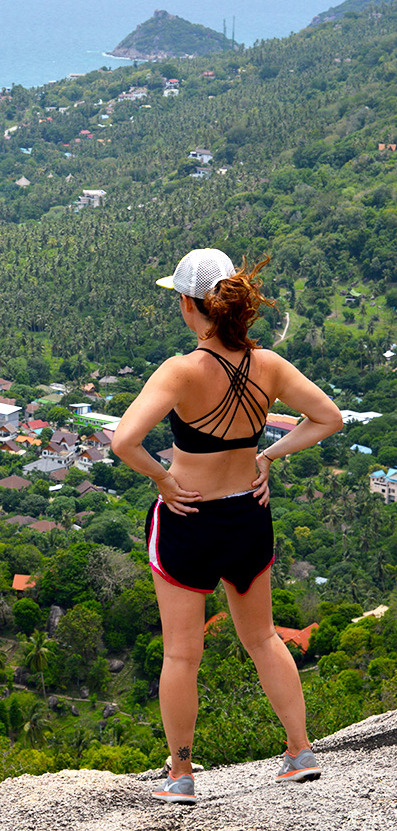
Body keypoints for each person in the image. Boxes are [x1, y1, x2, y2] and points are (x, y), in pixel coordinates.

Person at [110, 248, 343, 805]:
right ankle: (300, 752)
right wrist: (269, 456)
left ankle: (181, 775)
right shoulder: (269, 365)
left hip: (188, 518)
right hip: (247, 515)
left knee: (181, 654)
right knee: (262, 637)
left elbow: (124, 442)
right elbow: (328, 418)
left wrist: (163, 480)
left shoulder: (181, 370)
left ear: (190, 305)